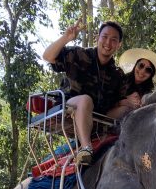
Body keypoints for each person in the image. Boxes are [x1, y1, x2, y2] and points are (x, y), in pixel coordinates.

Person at [42, 19, 126, 165]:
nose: (108, 43)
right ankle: (86, 149)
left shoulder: (117, 75)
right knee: (85, 100)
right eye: (105, 37)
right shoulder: (79, 54)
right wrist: (66, 38)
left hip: (97, 117)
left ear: (119, 45)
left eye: (114, 40)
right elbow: (47, 56)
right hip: (70, 105)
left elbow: (118, 103)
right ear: (97, 38)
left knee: (128, 108)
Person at [115, 48, 156, 113]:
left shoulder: (148, 94)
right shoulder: (120, 79)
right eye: (141, 65)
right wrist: (125, 102)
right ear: (135, 65)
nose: (142, 71)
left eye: (148, 70)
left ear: (151, 75)